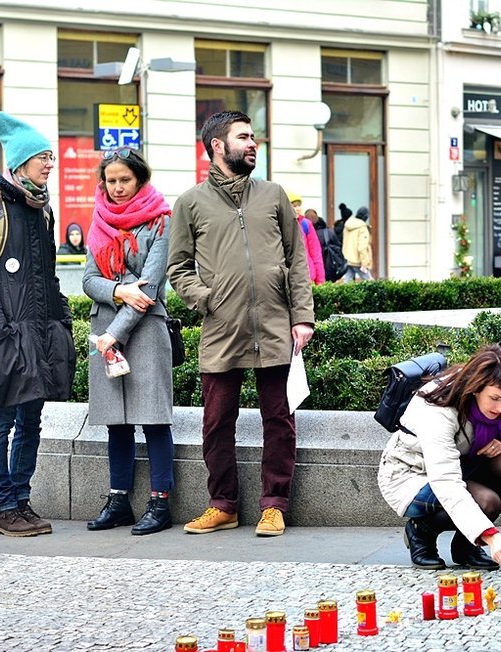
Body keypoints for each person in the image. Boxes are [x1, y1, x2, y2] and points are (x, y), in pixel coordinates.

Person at [167, 110, 315, 538]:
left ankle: (274, 505)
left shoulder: (273, 195)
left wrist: (302, 316)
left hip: (274, 327)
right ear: (217, 146)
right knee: (215, 423)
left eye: (254, 137)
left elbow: (297, 260)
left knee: (279, 420)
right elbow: (178, 267)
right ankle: (223, 504)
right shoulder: (191, 203)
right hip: (221, 329)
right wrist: (206, 299)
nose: (253, 144)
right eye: (244, 137)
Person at [0, 111, 76, 537]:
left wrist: (60, 320)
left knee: (31, 420)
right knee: (1, 421)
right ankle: (2, 506)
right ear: (21, 162)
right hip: (6, 336)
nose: (50, 164)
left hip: (40, 333)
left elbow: (46, 276)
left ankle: (22, 501)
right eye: (43, 157)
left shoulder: (41, 211)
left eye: (51, 157)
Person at [83, 147, 176, 536]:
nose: (118, 188)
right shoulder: (98, 219)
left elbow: (150, 288)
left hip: (144, 331)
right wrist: (120, 289)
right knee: (115, 424)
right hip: (106, 327)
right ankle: (118, 500)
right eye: (111, 180)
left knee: (154, 419)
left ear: (140, 179)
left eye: (125, 180)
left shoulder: (162, 221)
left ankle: (160, 502)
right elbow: (88, 280)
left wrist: (112, 335)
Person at [378, 344, 501, 570]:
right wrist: (490, 535)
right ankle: (421, 532)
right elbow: (446, 482)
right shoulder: (438, 409)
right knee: (486, 501)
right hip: (411, 474)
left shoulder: (494, 395)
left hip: (458, 464)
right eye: (495, 398)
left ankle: (466, 545)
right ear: (476, 388)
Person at [288, 192, 325, 285]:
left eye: (299, 205)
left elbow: (316, 253)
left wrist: (320, 280)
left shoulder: (306, 224)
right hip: (290, 277)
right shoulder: (282, 225)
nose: (298, 209)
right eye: (294, 206)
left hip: (307, 277)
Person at [309, 209, 346, 283]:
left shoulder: (311, 234)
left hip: (316, 267)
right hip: (331, 265)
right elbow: (338, 247)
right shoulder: (330, 232)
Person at [341, 205, 373, 281]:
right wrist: (364, 263)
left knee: (347, 284)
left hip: (347, 260)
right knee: (370, 283)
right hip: (358, 261)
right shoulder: (362, 227)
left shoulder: (347, 225)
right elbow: (362, 247)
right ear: (366, 217)